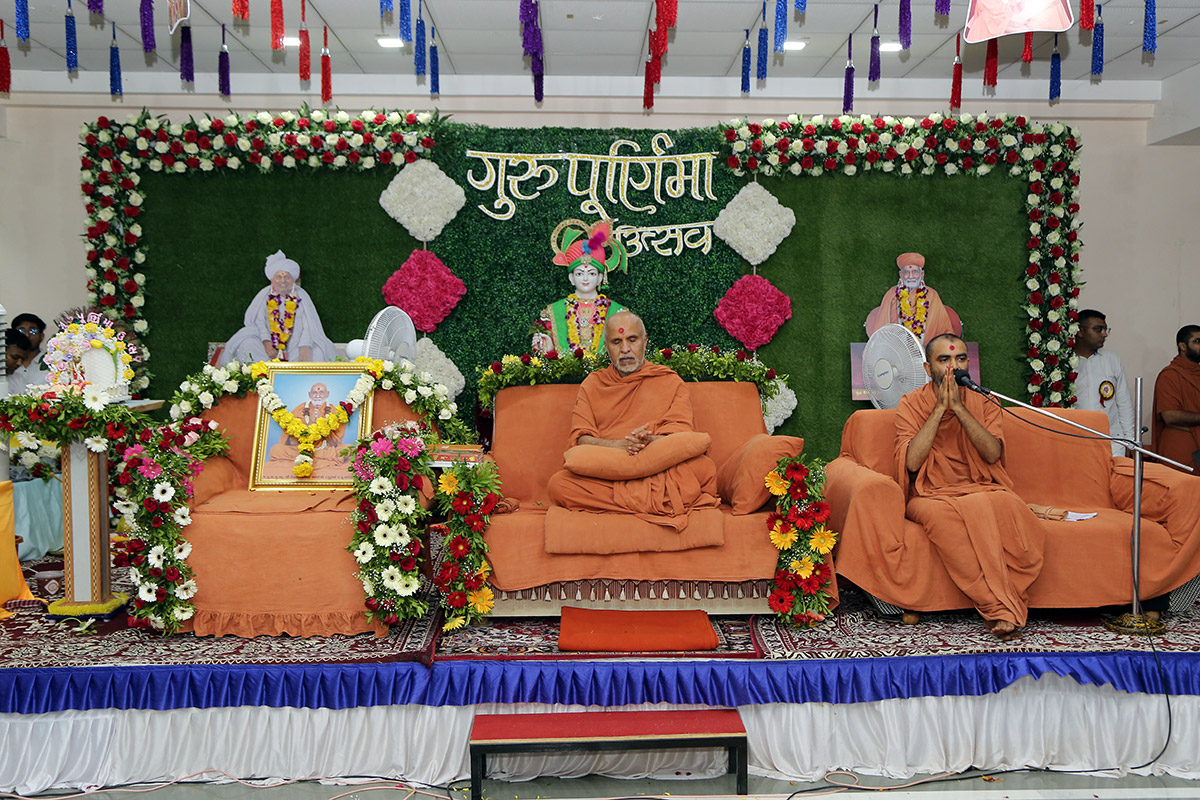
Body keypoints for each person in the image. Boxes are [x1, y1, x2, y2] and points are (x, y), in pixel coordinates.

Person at [895, 333, 1044, 641]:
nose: (954, 366)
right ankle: (997, 607)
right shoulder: (911, 403)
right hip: (930, 494)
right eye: (944, 359)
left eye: (960, 358)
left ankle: (1005, 600)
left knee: (1010, 507)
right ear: (928, 369)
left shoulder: (985, 401)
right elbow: (911, 462)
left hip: (982, 487)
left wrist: (961, 410)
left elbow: (992, 454)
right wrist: (940, 409)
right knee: (943, 519)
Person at [546, 310, 720, 531]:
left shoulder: (669, 381)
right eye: (616, 342)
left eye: (632, 339)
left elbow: (681, 436)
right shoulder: (593, 384)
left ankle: (623, 504)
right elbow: (581, 439)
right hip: (608, 476)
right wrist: (620, 446)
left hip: (659, 472)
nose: (625, 349)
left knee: (703, 469)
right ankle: (653, 503)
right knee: (559, 485)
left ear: (644, 342)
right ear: (606, 347)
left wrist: (650, 441)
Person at [219, 251, 336, 366]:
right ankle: (264, 373)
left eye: (287, 277)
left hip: (297, 341)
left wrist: (305, 345)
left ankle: (296, 375)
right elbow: (259, 322)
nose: (283, 281)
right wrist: (266, 341)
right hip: (266, 341)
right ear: (272, 279)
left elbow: (309, 324)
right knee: (247, 344)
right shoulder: (264, 295)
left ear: (293, 279)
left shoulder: (301, 295)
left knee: (319, 352)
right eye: (279, 277)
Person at [531, 219, 627, 356]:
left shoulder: (618, 312)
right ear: (571, 278)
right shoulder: (553, 312)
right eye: (580, 273)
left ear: (600, 278)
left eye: (592, 273)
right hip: (566, 370)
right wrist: (547, 346)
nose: (585, 278)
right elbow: (547, 354)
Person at [1072, 310, 1135, 457]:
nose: (1104, 334)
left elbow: (1124, 403)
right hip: (1074, 440)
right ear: (1080, 331)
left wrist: (1130, 441)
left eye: (1106, 329)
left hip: (1112, 441)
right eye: (1098, 329)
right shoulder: (1063, 362)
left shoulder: (1112, 360)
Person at [864, 253, 962, 344]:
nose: (911, 276)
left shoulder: (932, 294)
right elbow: (882, 325)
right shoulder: (892, 294)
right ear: (901, 275)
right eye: (906, 272)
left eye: (915, 272)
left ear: (922, 274)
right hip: (898, 348)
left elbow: (944, 328)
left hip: (928, 350)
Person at [266, 382, 349, 478]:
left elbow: (336, 442)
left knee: (347, 449)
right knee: (275, 450)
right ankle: (312, 459)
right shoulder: (299, 409)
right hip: (299, 449)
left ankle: (309, 459)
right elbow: (290, 435)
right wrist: (311, 424)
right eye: (314, 393)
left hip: (324, 449)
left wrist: (323, 426)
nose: (317, 396)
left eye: (321, 392)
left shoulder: (334, 412)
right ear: (309, 394)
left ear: (327, 394)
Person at [1152, 325, 1200, 472]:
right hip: (1181, 448)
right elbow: (1170, 416)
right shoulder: (1170, 375)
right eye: (1197, 341)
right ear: (1182, 346)